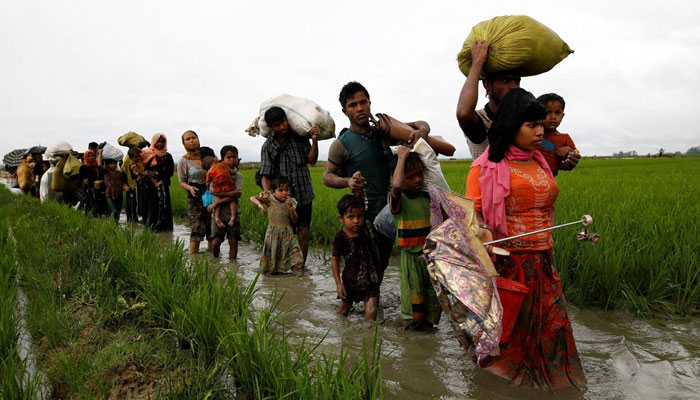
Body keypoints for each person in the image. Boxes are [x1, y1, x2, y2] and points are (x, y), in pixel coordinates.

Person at [466, 87, 586, 390]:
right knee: (511, 339)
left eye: (541, 125)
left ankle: (554, 387)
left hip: (544, 261)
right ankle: (502, 389)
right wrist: (481, 230)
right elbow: (472, 215)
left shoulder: (540, 161)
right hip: (510, 267)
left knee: (554, 329)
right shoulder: (485, 167)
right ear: (511, 126)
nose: (540, 131)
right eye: (531, 125)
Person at [323, 81, 430, 284]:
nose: (360, 108)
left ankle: (371, 308)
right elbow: (327, 176)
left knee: (381, 263)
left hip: (389, 212)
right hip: (362, 216)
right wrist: (347, 181)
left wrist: (421, 133)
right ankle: (354, 306)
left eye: (363, 102)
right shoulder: (341, 144)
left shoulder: (383, 133)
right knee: (361, 266)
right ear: (344, 111)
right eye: (353, 105)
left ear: (370, 103)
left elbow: (421, 125)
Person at [259, 106, 319, 266]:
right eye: (276, 125)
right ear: (271, 127)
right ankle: (282, 265)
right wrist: (266, 193)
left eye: (283, 122)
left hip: (304, 193)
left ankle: (300, 267)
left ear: (287, 120)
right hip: (281, 199)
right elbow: (266, 174)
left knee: (304, 230)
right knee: (283, 233)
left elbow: (312, 160)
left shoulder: (300, 138)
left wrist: (314, 140)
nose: (281, 127)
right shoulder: (268, 146)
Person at [389, 147, 441, 329]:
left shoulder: (428, 197)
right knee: (415, 314)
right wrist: (402, 156)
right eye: (410, 177)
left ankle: (425, 347)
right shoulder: (399, 199)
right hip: (411, 259)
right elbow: (396, 186)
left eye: (420, 174)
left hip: (431, 259)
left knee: (433, 311)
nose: (418, 179)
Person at [456, 42, 521, 159]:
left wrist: (560, 151)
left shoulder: (524, 118)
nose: (513, 86)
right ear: (487, 85)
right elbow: (463, 114)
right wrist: (478, 62)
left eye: (517, 81)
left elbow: (544, 142)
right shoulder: (482, 120)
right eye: (506, 81)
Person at [331, 194, 379, 320]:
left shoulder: (366, 231)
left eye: (359, 216)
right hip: (350, 281)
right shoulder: (340, 237)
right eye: (351, 217)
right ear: (341, 218)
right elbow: (335, 259)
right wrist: (338, 284)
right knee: (344, 310)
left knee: (371, 312)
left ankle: (370, 335)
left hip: (370, 278)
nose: (356, 221)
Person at [250, 176, 304, 274]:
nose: (284, 193)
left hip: (288, 235)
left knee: (297, 260)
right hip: (273, 235)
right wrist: (260, 205)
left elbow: (295, 220)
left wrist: (291, 208)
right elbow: (252, 198)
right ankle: (271, 282)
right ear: (273, 192)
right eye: (281, 190)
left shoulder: (291, 202)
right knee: (270, 263)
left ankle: (298, 279)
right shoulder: (269, 199)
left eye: (287, 190)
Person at [207, 146, 243, 259]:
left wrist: (216, 203)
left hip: (233, 212)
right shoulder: (216, 173)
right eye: (229, 157)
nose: (232, 160)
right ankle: (215, 260)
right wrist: (231, 194)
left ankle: (233, 265)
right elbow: (212, 191)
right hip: (219, 213)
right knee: (215, 242)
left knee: (233, 240)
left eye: (234, 157)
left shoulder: (238, 176)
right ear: (222, 159)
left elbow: (237, 194)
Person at [177, 130, 209, 254]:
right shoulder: (183, 161)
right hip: (194, 196)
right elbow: (182, 181)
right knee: (196, 227)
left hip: (210, 194)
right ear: (184, 143)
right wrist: (189, 188)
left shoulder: (207, 156)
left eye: (193, 137)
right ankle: (194, 258)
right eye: (188, 139)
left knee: (211, 226)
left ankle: (212, 258)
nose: (191, 140)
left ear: (198, 139)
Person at [537, 93, 580, 176]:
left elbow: (576, 153)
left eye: (557, 113)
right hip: (528, 176)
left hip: (549, 181)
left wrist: (569, 151)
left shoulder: (564, 138)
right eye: (548, 112)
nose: (553, 117)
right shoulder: (531, 134)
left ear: (562, 116)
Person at [140, 133, 174, 232]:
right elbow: (140, 167)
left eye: (162, 142)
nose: (160, 144)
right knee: (150, 207)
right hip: (147, 187)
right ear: (153, 142)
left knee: (162, 207)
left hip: (162, 186)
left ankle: (163, 229)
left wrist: (158, 174)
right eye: (158, 141)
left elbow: (170, 172)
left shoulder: (168, 156)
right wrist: (147, 173)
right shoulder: (146, 154)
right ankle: (149, 228)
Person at [97, 148, 128, 221]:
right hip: (110, 194)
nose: (114, 165)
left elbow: (122, 183)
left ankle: (115, 226)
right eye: (112, 163)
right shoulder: (106, 172)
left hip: (119, 194)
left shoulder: (119, 173)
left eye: (115, 163)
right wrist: (100, 153)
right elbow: (99, 165)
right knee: (114, 211)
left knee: (118, 212)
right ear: (107, 165)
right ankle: (111, 224)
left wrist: (125, 187)